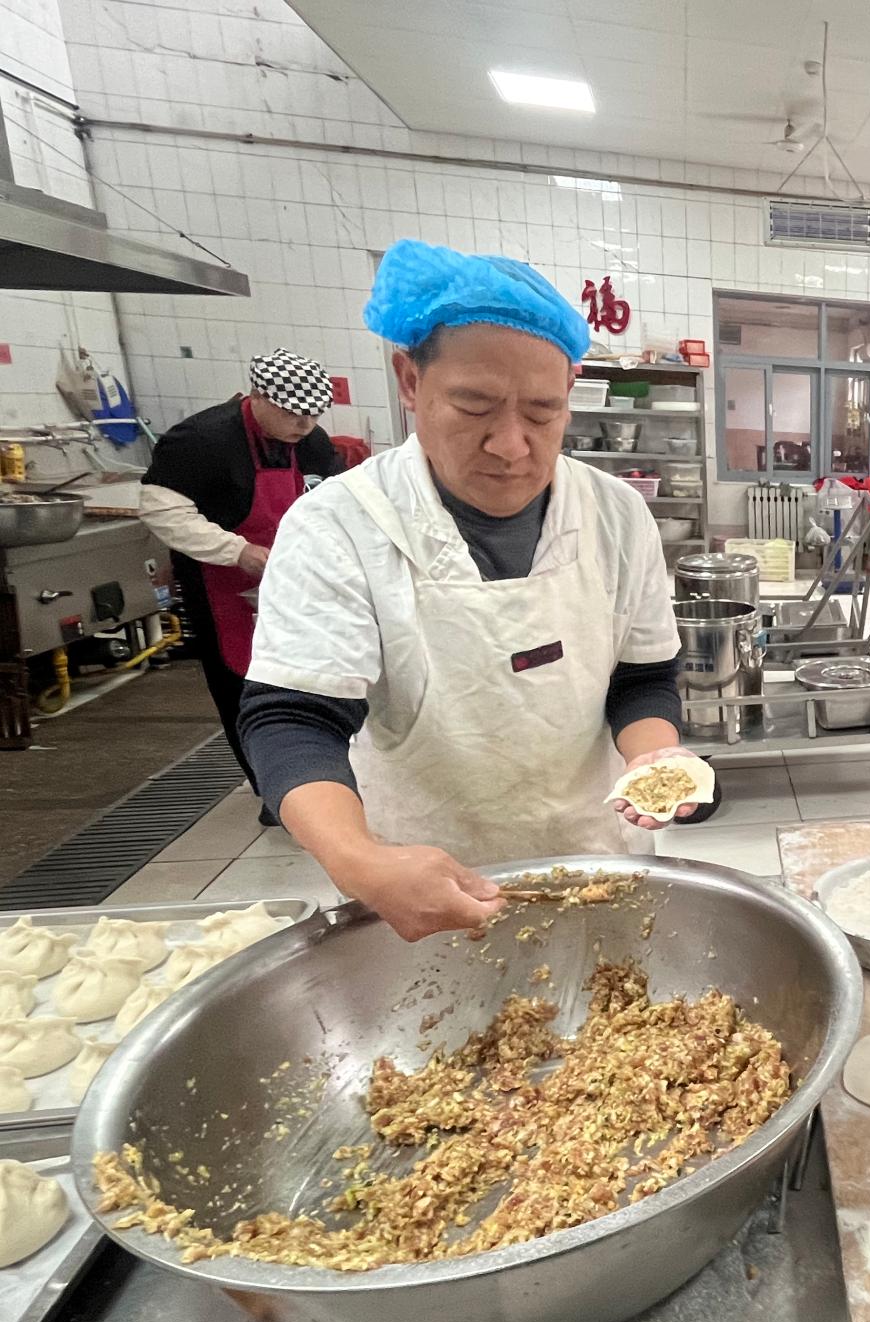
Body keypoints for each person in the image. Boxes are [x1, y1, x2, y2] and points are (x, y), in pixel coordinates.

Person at [236, 239, 689, 941]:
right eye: (475, 405)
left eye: (541, 412)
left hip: (596, 854)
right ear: (410, 382)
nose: (511, 445)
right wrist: (359, 861)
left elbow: (642, 678)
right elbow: (294, 719)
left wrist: (653, 756)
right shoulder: (340, 525)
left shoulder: (615, 514)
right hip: (423, 879)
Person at [139, 349, 343, 820]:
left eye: (314, 414)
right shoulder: (202, 440)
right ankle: (275, 793)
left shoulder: (311, 442)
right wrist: (239, 552)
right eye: (292, 414)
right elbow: (161, 510)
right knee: (243, 686)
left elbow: (337, 499)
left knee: (311, 680)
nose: (304, 425)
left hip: (299, 582)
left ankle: (324, 781)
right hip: (222, 585)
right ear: (257, 396)